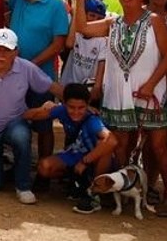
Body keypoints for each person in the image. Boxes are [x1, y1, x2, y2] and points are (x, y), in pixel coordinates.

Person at [72, 0, 167, 216]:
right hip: (120, 93)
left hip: (151, 92)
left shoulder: (154, 21)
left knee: (159, 147)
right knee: (121, 147)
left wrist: (151, 84)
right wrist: (79, 0)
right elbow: (82, 27)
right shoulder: (113, 23)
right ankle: (121, 192)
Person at [0, 28, 63, 204]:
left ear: (16, 52)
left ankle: (23, 186)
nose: (0, 54)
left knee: (21, 135)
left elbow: (51, 87)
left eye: (6, 50)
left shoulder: (26, 68)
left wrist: (79, 103)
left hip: (14, 123)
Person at [0, 0, 70, 171]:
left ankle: (44, 171)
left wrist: (30, 64)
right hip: (12, 74)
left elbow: (58, 44)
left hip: (41, 76)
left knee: (43, 125)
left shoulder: (56, 6)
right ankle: (18, 168)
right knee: (14, 121)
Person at [23, 83, 117, 214]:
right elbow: (30, 115)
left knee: (105, 148)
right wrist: (44, 107)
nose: (76, 112)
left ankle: (94, 194)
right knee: (44, 167)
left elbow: (111, 141)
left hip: (94, 158)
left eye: (81, 107)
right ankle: (76, 180)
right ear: (65, 104)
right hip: (76, 152)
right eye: (71, 107)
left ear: (88, 104)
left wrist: (85, 161)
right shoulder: (61, 110)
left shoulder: (92, 120)